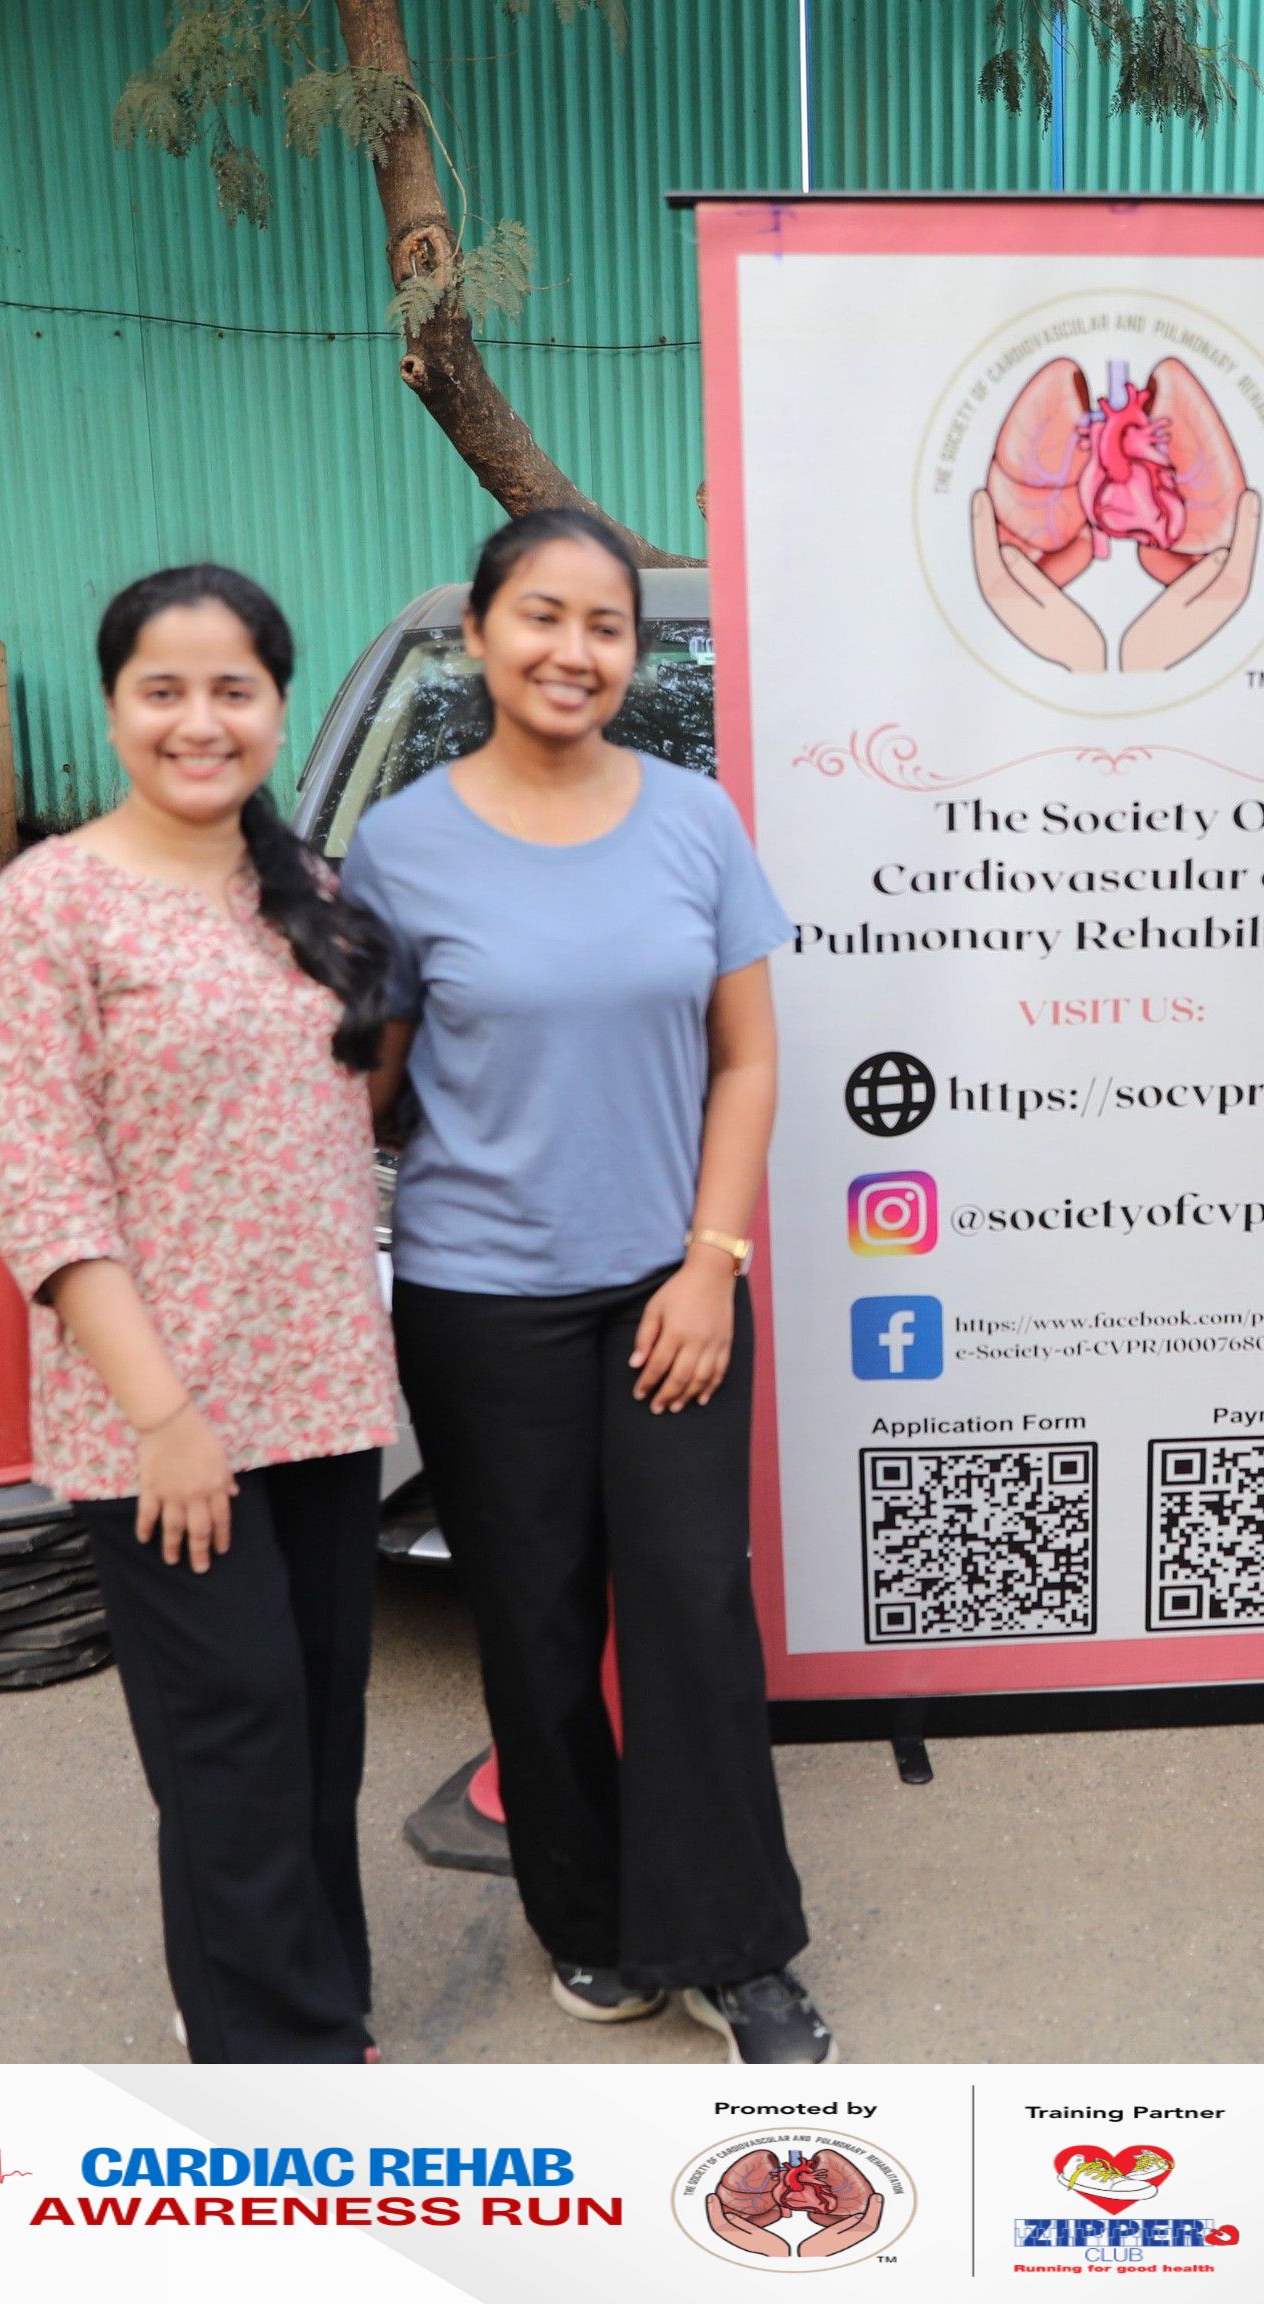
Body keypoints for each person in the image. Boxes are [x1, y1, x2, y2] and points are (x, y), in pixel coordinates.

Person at [340, 505, 831, 2063]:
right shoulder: (401, 847)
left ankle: (738, 1951)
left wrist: (711, 1263)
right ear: (483, 636)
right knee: (534, 1624)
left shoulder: (694, 820)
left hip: (668, 1287)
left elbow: (748, 1059)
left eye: (605, 625)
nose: (574, 649)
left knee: (691, 1605)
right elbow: (369, 1087)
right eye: (542, 617)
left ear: (634, 653)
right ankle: (591, 1923)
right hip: (479, 1299)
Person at [0, 565, 401, 2063]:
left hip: (324, 1388)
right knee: (233, 1736)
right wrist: (163, 1418)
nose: (199, 721)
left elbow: (352, 1112)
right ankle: (274, 2062)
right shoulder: (47, 907)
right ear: (114, 709)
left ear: (277, 706)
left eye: (234, 690)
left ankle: (312, 1999)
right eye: (164, 690)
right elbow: (47, 1194)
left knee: (319, 1730)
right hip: (159, 1415)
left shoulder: (312, 898)